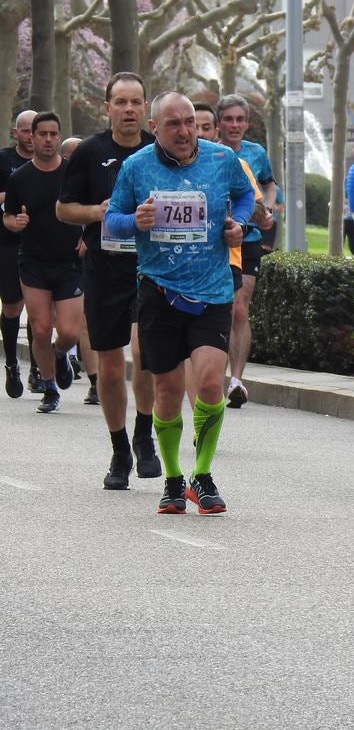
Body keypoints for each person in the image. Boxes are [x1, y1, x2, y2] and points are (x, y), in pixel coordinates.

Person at [104, 91, 254, 515]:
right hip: (158, 292)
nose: (186, 131)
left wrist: (237, 223)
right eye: (174, 124)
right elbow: (112, 220)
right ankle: (172, 480)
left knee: (209, 383)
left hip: (212, 290)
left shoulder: (222, 159)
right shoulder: (136, 167)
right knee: (167, 391)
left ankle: (202, 476)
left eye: (189, 121)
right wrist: (135, 221)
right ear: (156, 129)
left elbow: (246, 198)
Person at [57, 72, 161, 487]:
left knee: (148, 355)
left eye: (136, 102)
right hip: (104, 268)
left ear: (146, 108)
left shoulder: (159, 152)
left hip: (150, 268)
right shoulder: (88, 152)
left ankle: (144, 436)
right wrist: (99, 213)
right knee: (113, 370)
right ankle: (120, 451)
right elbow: (64, 210)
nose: (130, 110)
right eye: (121, 102)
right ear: (107, 108)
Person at [2, 112, 82, 413]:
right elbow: (8, 216)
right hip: (33, 261)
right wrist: (15, 222)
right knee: (40, 329)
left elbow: (92, 208)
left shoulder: (73, 172)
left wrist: (87, 236)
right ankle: (49, 388)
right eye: (43, 134)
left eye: (53, 134)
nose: (48, 139)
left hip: (70, 262)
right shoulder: (19, 177)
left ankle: (61, 354)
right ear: (31, 138)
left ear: (58, 136)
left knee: (70, 332)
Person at [216, 93, 275, 408]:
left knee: (239, 308)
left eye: (240, 119)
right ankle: (212, 370)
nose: (235, 125)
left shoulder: (256, 152)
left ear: (247, 123)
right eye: (229, 119)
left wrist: (265, 207)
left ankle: (236, 380)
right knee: (221, 308)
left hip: (248, 238)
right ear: (219, 122)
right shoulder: (208, 152)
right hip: (214, 241)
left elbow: (268, 184)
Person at [0, 110, 36, 397]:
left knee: (39, 310)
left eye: (35, 130)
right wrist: (11, 196)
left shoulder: (52, 164)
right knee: (13, 308)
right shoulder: (4, 160)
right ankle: (12, 363)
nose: (31, 136)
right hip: (8, 243)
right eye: (26, 131)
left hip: (42, 243)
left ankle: (39, 368)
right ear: (17, 133)